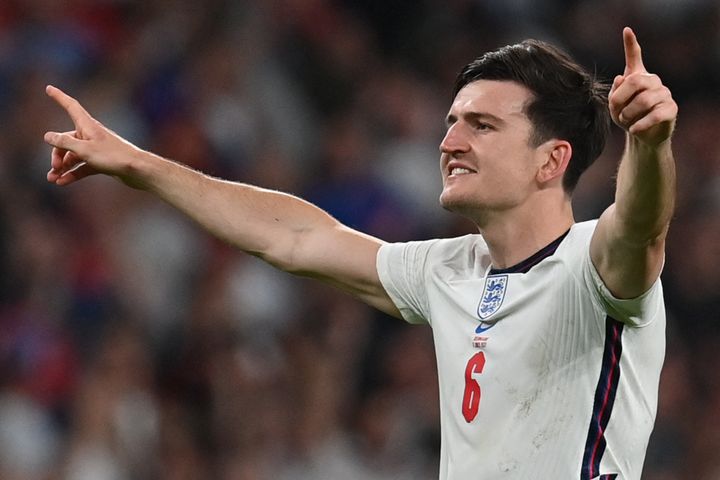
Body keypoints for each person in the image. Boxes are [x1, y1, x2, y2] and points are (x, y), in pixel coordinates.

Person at [44, 26, 676, 479]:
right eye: (452, 120)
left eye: (482, 126)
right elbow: (293, 236)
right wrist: (138, 164)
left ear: (552, 160)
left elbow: (641, 223)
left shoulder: (595, 264)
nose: (450, 140)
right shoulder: (449, 271)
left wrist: (648, 144)